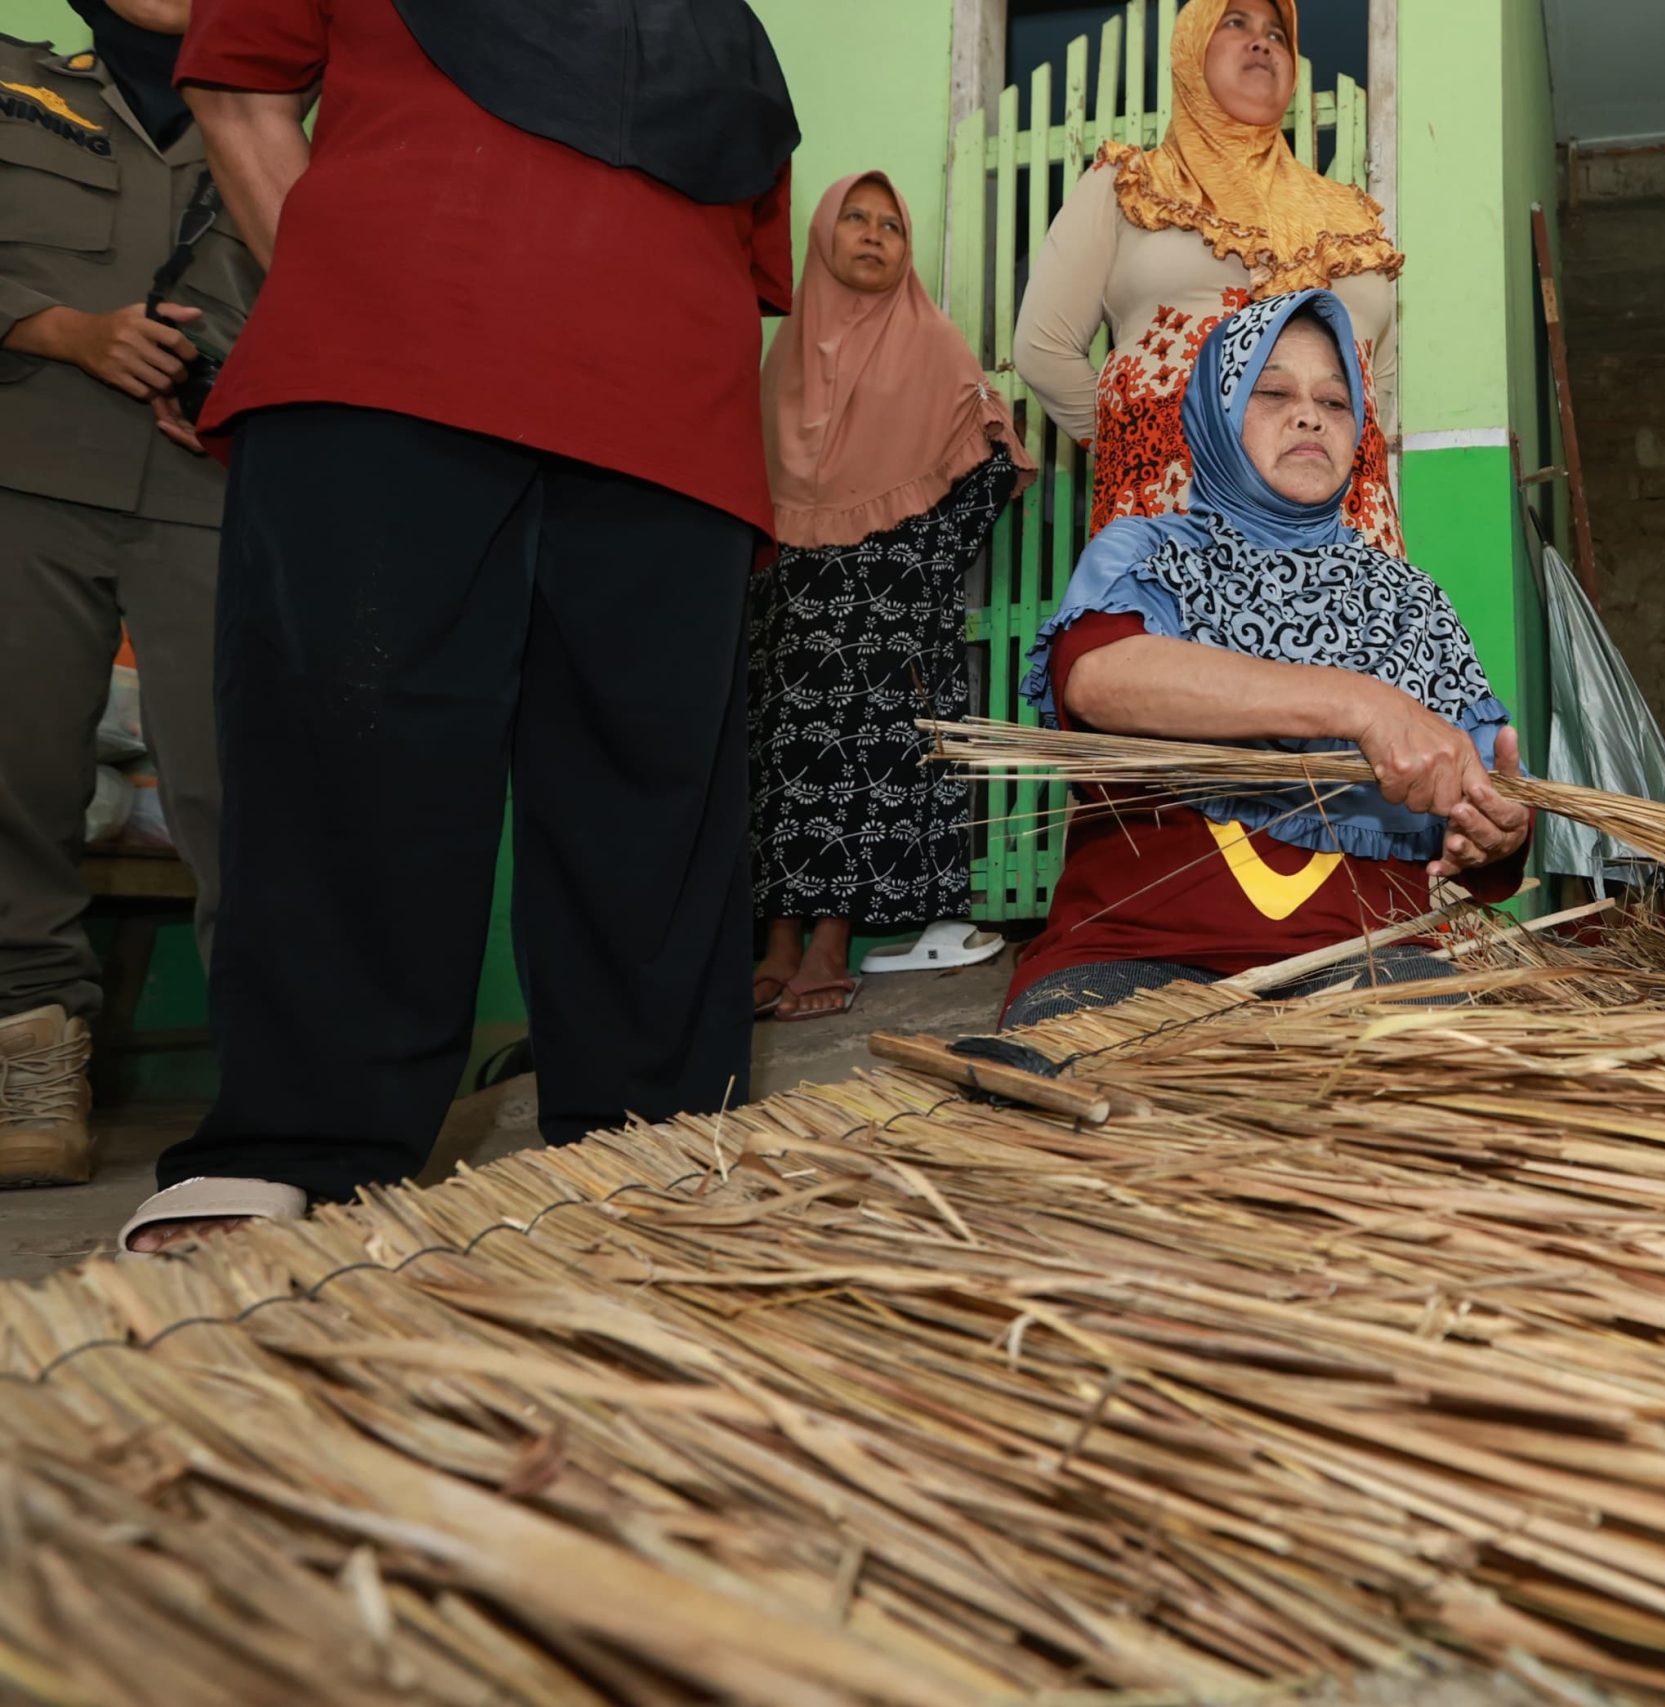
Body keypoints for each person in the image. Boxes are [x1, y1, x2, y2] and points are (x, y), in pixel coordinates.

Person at [119, 0, 798, 1251]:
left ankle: (654, 1136)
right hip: (388, 383)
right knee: (352, 748)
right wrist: (355, 292)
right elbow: (236, 85)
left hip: (671, 431)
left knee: (650, 798)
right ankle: (300, 1142)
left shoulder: (723, 25)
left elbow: (742, 258)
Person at [1003, 289, 1531, 1025]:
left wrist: (1501, 833)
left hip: (1366, 959)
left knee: (1451, 1085)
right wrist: (1358, 702)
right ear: (1214, 418)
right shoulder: (1147, 552)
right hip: (1135, 954)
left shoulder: (1407, 599)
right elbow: (1099, 678)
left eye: (1336, 402)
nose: (1310, 414)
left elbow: (1481, 804)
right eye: (1273, 391)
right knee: (1075, 1102)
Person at [0, 0, 262, 1188]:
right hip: (28, 471)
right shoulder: (12, 83)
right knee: (17, 769)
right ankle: (30, 1052)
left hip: (219, 486)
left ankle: (274, 1075)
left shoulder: (283, 106)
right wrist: (64, 331)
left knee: (240, 787)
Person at [750, 171, 1031, 1021]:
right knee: (784, 752)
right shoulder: (783, 356)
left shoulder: (933, 343)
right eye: (856, 221)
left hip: (888, 595)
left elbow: (992, 459)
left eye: (892, 227)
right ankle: (779, 940)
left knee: (865, 753)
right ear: (823, 237)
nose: (873, 237)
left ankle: (832, 942)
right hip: (793, 590)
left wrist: (922, 559)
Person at [1014, 0, 1404, 552]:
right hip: (1181, 513)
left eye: (1277, 34)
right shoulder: (1127, 186)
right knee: (1181, 644)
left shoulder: (1349, 217)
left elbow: (1377, 380)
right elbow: (1042, 350)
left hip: (1342, 526)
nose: (1262, 41)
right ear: (1190, 49)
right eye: (1235, 22)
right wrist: (1149, 448)